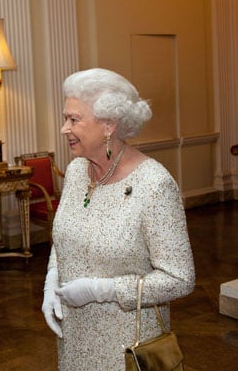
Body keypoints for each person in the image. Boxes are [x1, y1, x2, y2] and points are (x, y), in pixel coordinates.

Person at [41, 68, 195, 370]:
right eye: (65, 118)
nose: (64, 128)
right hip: (74, 338)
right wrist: (51, 283)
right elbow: (64, 239)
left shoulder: (154, 184)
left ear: (109, 125)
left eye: (74, 119)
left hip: (127, 346)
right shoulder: (75, 173)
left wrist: (101, 290)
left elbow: (180, 279)